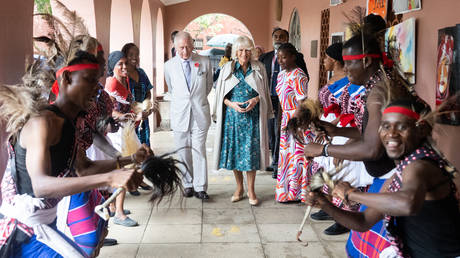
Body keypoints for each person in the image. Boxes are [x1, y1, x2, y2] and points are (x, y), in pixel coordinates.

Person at [0, 50, 146, 257]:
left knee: (93, 235)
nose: (96, 88)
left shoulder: (69, 122)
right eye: (89, 80)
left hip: (44, 226)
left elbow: (83, 168)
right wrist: (111, 177)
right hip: (24, 233)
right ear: (67, 78)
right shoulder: (44, 123)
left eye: (97, 81)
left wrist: (129, 160)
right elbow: (40, 186)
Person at [307, 99, 460, 258]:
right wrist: (325, 205)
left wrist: (351, 193)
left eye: (402, 127)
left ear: (421, 130)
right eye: (386, 126)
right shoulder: (402, 171)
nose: (391, 133)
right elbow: (364, 221)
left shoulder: (420, 166)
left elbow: (407, 203)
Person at [309, 43, 373, 235]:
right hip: (342, 128)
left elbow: (360, 119)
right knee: (331, 170)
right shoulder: (352, 83)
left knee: (349, 174)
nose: (347, 67)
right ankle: (334, 209)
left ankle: (347, 215)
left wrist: (344, 135)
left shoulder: (366, 88)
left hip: (353, 132)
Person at [212, 35, 272, 206]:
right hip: (233, 118)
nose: (244, 54)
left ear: (252, 51)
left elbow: (264, 93)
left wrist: (255, 100)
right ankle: (239, 188)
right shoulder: (226, 69)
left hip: (253, 118)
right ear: (235, 52)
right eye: (240, 50)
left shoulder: (259, 68)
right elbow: (220, 96)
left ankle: (251, 190)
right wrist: (232, 104)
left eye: (247, 50)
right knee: (235, 154)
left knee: (251, 154)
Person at [164, 31, 213, 200]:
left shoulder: (204, 62)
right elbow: (172, 89)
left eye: (188, 47)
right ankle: (187, 184)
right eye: (181, 48)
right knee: (183, 150)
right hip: (180, 114)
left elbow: (208, 87)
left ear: (193, 45)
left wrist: (197, 101)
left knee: (199, 149)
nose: (185, 51)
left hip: (200, 113)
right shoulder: (169, 66)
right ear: (175, 47)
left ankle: (200, 187)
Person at [259, 27, 309, 179]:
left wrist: (293, 120)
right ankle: (279, 168)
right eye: (276, 36)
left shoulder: (298, 69)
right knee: (274, 136)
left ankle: (291, 181)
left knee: (293, 150)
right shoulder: (270, 62)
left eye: (282, 36)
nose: (278, 38)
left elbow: (302, 96)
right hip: (276, 104)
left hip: (294, 111)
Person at [104, 50, 141, 226]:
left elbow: (129, 105)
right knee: (122, 169)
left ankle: (113, 207)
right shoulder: (111, 83)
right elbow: (109, 110)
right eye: (120, 64)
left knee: (125, 167)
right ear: (113, 67)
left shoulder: (124, 80)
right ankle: (119, 213)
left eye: (125, 63)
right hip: (117, 132)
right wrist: (124, 116)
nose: (125, 67)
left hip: (127, 129)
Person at [273, 43, 311, 203]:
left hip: (297, 120)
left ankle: (297, 193)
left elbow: (302, 102)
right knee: (286, 156)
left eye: (284, 57)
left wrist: (293, 123)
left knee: (297, 157)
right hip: (285, 118)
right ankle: (286, 193)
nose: (280, 60)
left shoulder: (299, 75)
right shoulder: (281, 75)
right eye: (279, 57)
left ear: (293, 57)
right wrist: (281, 121)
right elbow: (282, 101)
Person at [121, 42, 157, 195]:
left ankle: (139, 178)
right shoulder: (123, 75)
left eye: (137, 55)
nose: (135, 58)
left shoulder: (141, 73)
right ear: (125, 57)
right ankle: (130, 180)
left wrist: (146, 105)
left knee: (144, 149)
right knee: (130, 151)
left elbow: (148, 91)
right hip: (130, 121)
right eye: (131, 55)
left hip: (143, 119)